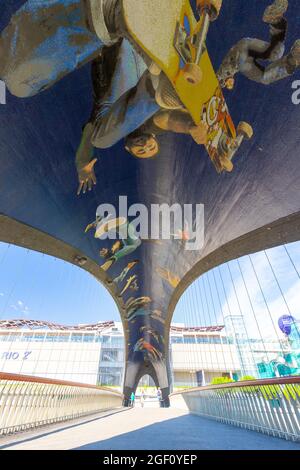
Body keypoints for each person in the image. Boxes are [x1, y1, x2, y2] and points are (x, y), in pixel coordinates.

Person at [76, 40, 208, 194]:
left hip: (118, 47)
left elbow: (88, 134)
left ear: (128, 148)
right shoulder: (149, 126)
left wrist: (82, 161)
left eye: (141, 151)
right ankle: (165, 83)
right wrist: (190, 126)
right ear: (153, 137)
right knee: (152, 115)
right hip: (146, 52)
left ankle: (156, 91)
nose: (145, 146)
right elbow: (167, 120)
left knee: (100, 140)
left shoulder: (114, 125)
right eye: (151, 146)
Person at [217, 0, 300, 89]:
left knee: (266, 75)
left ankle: (276, 21)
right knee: (276, 54)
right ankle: (276, 21)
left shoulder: (229, 69)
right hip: (246, 49)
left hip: (243, 56)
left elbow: (223, 73)